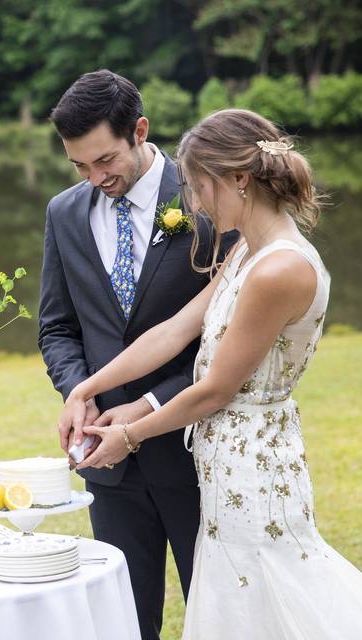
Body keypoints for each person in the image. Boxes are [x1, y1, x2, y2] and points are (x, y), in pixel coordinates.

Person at [61, 108, 362, 639]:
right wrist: (86, 389)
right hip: (223, 463)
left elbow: (214, 391)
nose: (196, 204)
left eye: (199, 186)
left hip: (255, 465)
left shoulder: (280, 268)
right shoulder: (244, 256)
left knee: (271, 591)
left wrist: (128, 435)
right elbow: (172, 333)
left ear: (239, 179)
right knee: (241, 598)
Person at [38, 69, 236, 640]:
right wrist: (82, 395)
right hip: (110, 463)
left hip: (198, 448)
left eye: (105, 160)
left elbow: (219, 337)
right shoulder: (64, 214)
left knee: (217, 616)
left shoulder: (206, 197)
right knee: (124, 623)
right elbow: (57, 327)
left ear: (140, 131)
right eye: (80, 166)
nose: (95, 177)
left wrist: (149, 405)